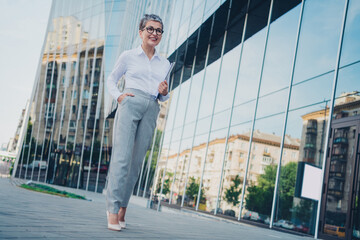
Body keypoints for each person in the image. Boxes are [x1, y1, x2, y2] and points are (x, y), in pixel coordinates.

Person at [105, 14, 170, 231]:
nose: (154, 33)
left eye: (158, 30)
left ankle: (123, 208)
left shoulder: (165, 63)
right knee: (122, 159)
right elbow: (111, 79)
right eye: (150, 29)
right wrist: (120, 96)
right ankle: (112, 210)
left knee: (135, 164)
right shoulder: (128, 56)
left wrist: (164, 93)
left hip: (152, 107)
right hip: (130, 102)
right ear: (141, 32)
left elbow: (162, 95)